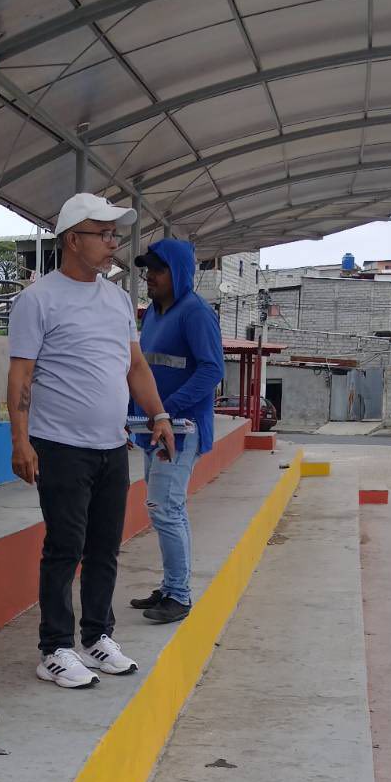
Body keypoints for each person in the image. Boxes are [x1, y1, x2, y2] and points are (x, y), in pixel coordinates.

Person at [7, 193, 176, 690]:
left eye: (113, 234)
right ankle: (55, 649)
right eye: (102, 234)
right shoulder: (38, 300)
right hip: (59, 445)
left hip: (111, 446)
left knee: (104, 547)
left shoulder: (117, 300)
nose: (112, 243)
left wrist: (159, 414)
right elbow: (21, 376)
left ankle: (97, 636)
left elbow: (135, 366)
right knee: (65, 548)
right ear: (71, 240)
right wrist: (20, 441)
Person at [129, 240, 225, 624]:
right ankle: (171, 586)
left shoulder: (196, 313)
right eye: (147, 270)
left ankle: (179, 596)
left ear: (179, 273)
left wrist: (167, 410)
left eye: (158, 270)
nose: (149, 276)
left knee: (164, 508)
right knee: (168, 508)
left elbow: (212, 369)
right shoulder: (153, 314)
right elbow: (142, 369)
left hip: (181, 430)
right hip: (155, 428)